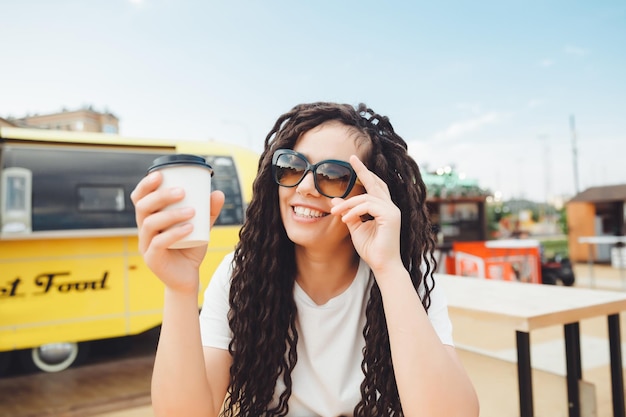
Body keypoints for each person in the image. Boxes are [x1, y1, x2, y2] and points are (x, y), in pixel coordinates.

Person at [131, 102, 479, 417]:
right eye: (292, 166)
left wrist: (388, 269)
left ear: (370, 194)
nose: (306, 187)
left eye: (333, 175)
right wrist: (179, 289)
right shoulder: (243, 274)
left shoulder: (405, 275)